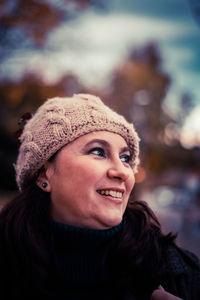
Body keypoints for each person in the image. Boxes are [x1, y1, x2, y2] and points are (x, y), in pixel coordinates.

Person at [0, 93, 199, 300]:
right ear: (43, 174)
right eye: (98, 152)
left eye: (125, 158)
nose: (123, 171)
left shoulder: (179, 275)